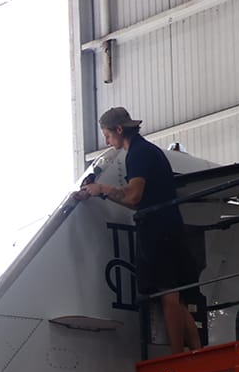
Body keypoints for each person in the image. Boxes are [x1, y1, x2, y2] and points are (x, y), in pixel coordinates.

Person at [74, 106, 202, 352]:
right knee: (178, 296)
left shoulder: (138, 154)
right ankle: (195, 350)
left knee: (168, 296)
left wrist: (101, 189)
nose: (107, 141)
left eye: (108, 136)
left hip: (158, 231)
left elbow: (133, 196)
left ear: (119, 130)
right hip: (170, 226)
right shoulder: (148, 151)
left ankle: (177, 354)